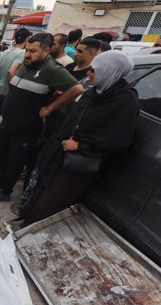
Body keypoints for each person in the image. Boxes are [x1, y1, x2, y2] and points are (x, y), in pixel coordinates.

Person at [20, 51, 139, 226]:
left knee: (54, 199)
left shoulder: (124, 100)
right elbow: (73, 120)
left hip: (80, 161)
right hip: (60, 151)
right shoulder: (96, 91)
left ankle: (33, 229)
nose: (89, 74)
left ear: (109, 72)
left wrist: (81, 145)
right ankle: (27, 221)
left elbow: (118, 139)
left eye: (94, 70)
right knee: (42, 189)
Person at [0, 33, 84, 202]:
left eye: (33, 51)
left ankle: (5, 191)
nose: (28, 54)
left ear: (46, 51)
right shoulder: (26, 64)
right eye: (27, 50)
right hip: (8, 122)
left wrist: (50, 107)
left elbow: (77, 89)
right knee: (2, 156)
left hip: (26, 127)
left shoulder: (52, 69)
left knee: (15, 161)